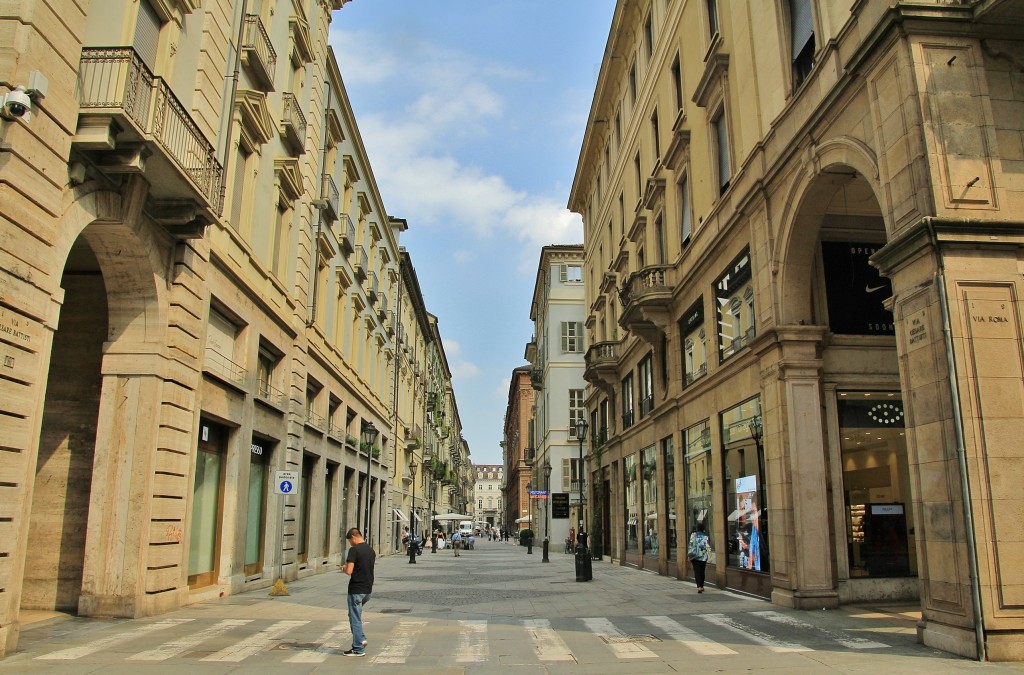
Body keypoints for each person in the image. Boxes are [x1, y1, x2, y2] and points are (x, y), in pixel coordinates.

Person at [343, 527, 375, 657]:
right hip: (367, 589)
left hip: (356, 589)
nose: (350, 543)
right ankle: (361, 638)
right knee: (354, 616)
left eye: (350, 541)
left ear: (353, 537)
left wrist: (344, 568)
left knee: (355, 618)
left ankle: (358, 648)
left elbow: (349, 571)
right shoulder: (370, 550)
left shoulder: (354, 550)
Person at [687, 521, 711, 593]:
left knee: (697, 571)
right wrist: (710, 557)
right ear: (703, 529)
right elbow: (708, 547)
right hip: (703, 556)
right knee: (702, 571)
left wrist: (689, 556)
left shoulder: (693, 535)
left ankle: (699, 586)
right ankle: (702, 586)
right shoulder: (705, 537)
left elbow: (691, 545)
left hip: (695, 556)